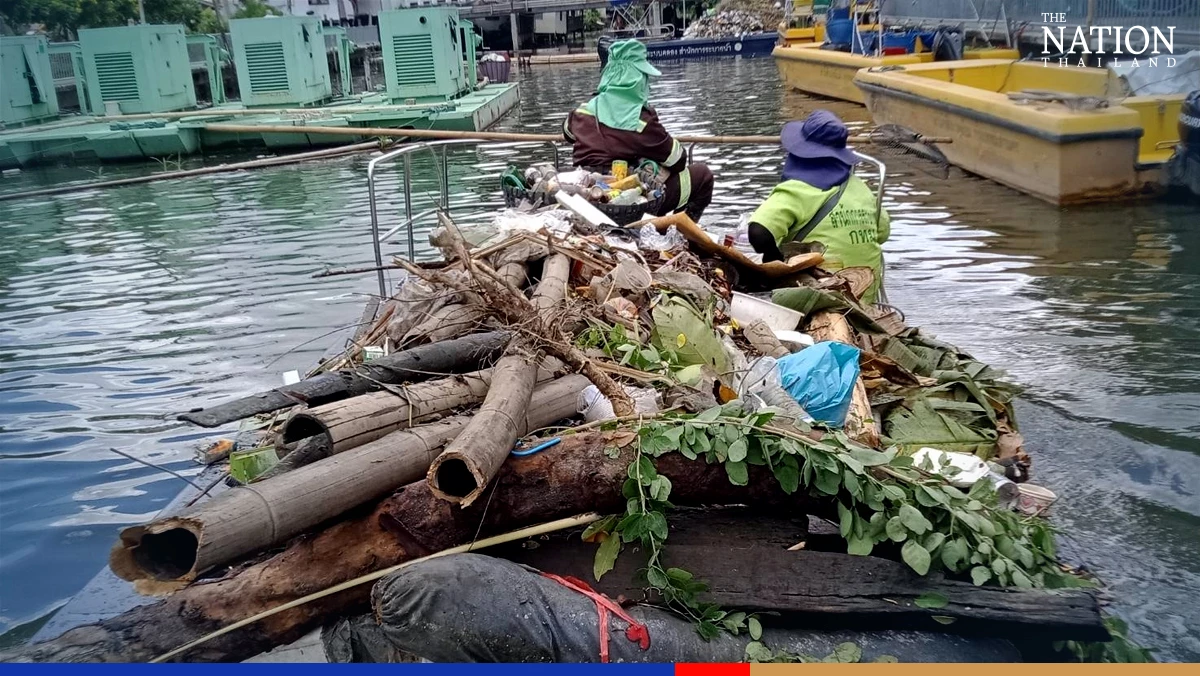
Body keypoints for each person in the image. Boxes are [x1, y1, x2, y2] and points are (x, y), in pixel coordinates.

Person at [747, 111, 891, 303]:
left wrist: (775, 258)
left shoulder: (796, 189)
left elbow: (758, 232)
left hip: (820, 294)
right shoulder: (861, 188)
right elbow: (882, 234)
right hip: (866, 293)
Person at [564, 40, 715, 221]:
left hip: (585, 193)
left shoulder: (583, 111)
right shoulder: (641, 120)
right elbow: (677, 160)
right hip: (627, 203)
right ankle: (680, 232)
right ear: (638, 80)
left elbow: (568, 134)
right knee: (702, 176)